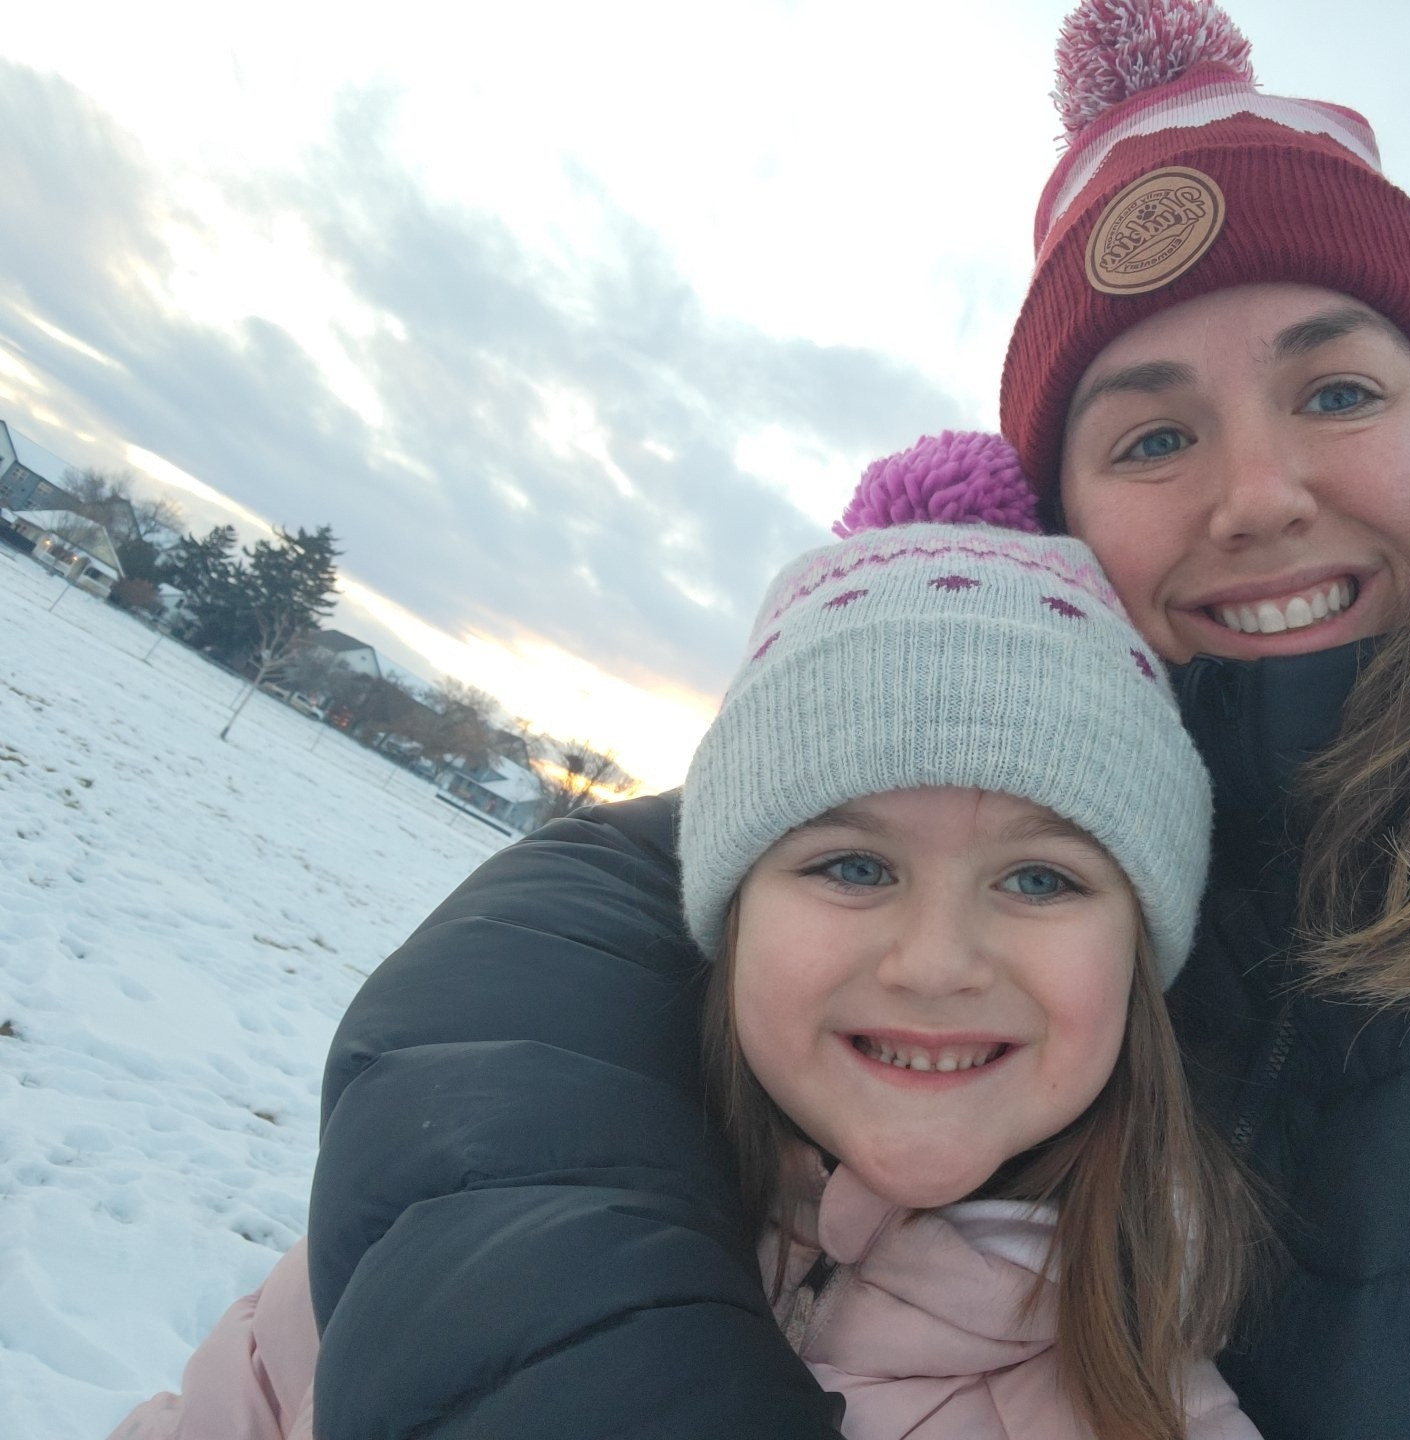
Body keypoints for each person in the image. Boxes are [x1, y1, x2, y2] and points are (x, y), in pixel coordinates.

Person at [303, 3, 1410, 1438]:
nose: (1258, 495)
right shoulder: (953, 802)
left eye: (1337, 392)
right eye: (1153, 437)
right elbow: (527, 1013)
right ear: (1056, 519)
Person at [109, 474, 1269, 1440]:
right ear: (731, 911)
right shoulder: (464, 1222)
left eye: (1041, 880)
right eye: (853, 866)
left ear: (1140, 953)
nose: (934, 963)